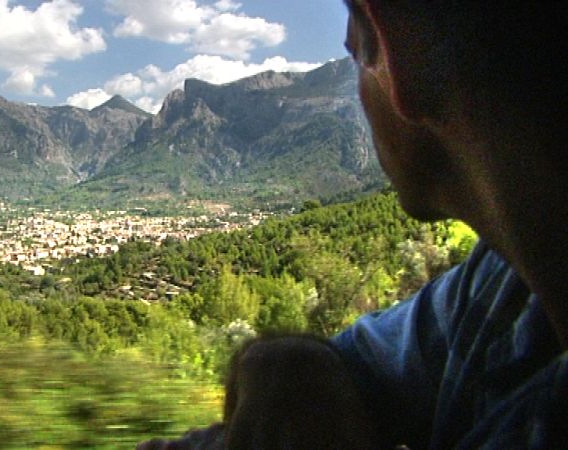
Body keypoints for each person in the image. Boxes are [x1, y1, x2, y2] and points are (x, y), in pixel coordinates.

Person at [138, 0, 568, 448]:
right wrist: (294, 361)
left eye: (356, 54)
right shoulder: (500, 289)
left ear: (397, 52)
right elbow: (359, 366)